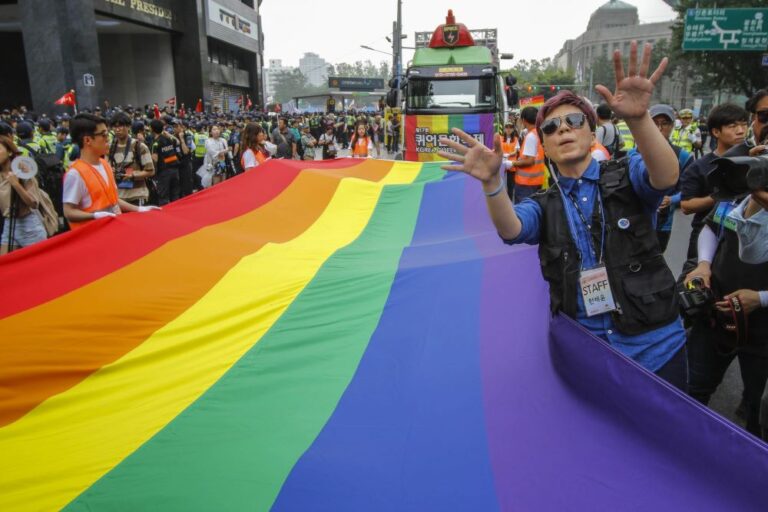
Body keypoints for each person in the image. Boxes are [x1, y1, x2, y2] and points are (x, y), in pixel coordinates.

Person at [438, 42, 687, 389]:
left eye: (573, 121)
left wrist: (639, 117)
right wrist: (493, 183)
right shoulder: (543, 204)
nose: (563, 130)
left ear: (591, 131)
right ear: (544, 144)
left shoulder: (626, 173)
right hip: (588, 354)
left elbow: (666, 177)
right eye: (551, 128)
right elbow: (511, 229)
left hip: (657, 350)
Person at [62, 113, 156, 230]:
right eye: (103, 134)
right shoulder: (75, 174)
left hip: (112, 230)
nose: (108, 138)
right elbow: (68, 212)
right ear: (87, 140)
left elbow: (114, 200)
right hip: (92, 235)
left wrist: (139, 209)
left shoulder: (105, 165)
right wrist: (94, 216)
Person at [680, 104, 749, 259]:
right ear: (716, 132)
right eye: (733, 126)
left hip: (742, 238)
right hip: (706, 234)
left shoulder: (754, 162)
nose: (741, 131)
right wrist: (719, 196)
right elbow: (686, 206)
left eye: (744, 125)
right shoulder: (698, 167)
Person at [642, 104, 693, 252]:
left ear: (672, 126)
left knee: (656, 263)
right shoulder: (635, 153)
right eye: (655, 123)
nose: (659, 128)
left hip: (663, 224)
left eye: (664, 123)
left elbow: (690, 190)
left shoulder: (682, 156)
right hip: (637, 222)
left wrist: (671, 200)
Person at [0, 135, 47, 254]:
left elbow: (33, 203)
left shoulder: (23, 171)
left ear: (10, 152)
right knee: (6, 267)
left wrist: (16, 184)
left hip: (29, 225)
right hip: (9, 223)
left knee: (37, 266)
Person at [108, 112, 155, 206]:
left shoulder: (139, 146)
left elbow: (151, 171)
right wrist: (110, 171)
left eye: (121, 126)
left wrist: (133, 175)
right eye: (114, 126)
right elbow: (107, 166)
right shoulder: (110, 148)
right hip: (118, 197)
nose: (117, 129)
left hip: (137, 196)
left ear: (128, 127)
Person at [508, 106, 546, 203]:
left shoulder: (530, 136)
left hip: (526, 183)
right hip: (536, 181)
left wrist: (512, 163)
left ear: (524, 120)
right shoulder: (538, 133)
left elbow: (529, 160)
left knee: (523, 212)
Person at [149, 119, 181, 205]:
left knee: (163, 198)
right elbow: (177, 141)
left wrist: (153, 173)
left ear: (152, 129)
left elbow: (154, 159)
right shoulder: (169, 139)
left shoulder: (155, 143)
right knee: (175, 196)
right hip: (175, 171)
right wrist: (168, 134)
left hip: (164, 173)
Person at [500, 121, 521, 200]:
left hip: (511, 165)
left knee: (510, 185)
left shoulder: (515, 139)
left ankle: (509, 201)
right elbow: (498, 149)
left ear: (513, 129)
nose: (508, 129)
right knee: (502, 184)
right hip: (502, 165)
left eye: (510, 127)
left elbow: (516, 151)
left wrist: (508, 154)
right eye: (507, 127)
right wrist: (503, 154)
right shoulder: (500, 138)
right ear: (504, 129)